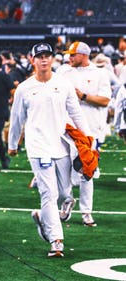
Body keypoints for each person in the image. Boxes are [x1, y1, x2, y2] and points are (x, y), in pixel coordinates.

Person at [8, 43, 92, 257]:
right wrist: (12, 144)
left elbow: (76, 112)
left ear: (53, 59)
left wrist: (88, 138)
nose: (43, 59)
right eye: (39, 56)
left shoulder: (63, 84)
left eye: (47, 56)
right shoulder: (24, 88)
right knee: (49, 194)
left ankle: (42, 217)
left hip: (61, 145)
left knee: (65, 193)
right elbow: (17, 118)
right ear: (32, 59)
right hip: (38, 147)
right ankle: (56, 241)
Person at [57, 41, 112, 227]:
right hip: (65, 130)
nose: (69, 58)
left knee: (86, 171)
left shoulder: (99, 73)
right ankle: (67, 201)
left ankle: (86, 211)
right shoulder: (63, 72)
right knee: (62, 170)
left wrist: (82, 96)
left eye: (73, 54)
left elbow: (105, 100)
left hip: (89, 130)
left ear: (83, 55)